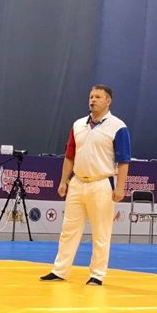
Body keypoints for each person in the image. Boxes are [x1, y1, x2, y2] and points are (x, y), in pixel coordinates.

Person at [40, 84, 130, 286]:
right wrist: (63, 181)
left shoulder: (118, 127)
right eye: (91, 96)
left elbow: (124, 160)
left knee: (101, 231)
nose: (92, 100)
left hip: (101, 183)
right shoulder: (78, 125)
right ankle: (60, 270)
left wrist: (120, 187)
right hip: (77, 182)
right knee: (68, 229)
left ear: (108, 101)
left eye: (98, 97)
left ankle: (97, 274)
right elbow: (69, 155)